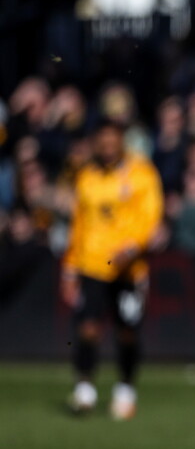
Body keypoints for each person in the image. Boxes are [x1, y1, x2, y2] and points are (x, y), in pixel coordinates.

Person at [61, 119, 164, 420]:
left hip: (129, 268)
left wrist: (134, 246)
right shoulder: (87, 176)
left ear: (121, 141)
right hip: (92, 265)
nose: (107, 148)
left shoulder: (142, 173)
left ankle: (125, 390)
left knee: (127, 331)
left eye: (112, 141)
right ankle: (85, 389)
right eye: (102, 142)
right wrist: (70, 266)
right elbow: (78, 224)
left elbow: (151, 215)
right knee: (87, 328)